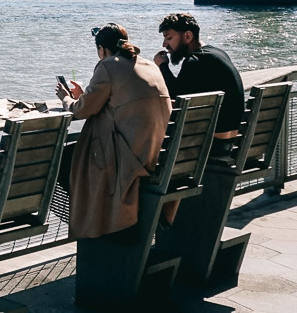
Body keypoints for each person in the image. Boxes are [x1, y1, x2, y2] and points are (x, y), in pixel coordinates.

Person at [55, 23, 172, 240]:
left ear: (102, 49)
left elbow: (81, 111)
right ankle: (94, 217)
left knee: (61, 160)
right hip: (155, 154)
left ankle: (92, 221)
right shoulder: (149, 65)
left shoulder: (107, 65)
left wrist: (66, 98)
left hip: (127, 159)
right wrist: (86, 95)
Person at [154, 13, 244, 163]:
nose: (164, 44)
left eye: (169, 38)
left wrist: (162, 66)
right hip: (233, 143)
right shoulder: (217, 54)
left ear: (188, 36)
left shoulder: (195, 61)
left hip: (213, 145)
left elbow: (175, 94)